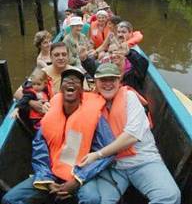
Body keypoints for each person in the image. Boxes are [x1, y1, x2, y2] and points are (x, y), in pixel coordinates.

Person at [1, 67, 112, 204]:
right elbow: (39, 149)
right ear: (61, 89)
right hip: (51, 173)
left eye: (76, 81)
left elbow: (108, 151)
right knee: (9, 199)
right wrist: (46, 180)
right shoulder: (50, 115)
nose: (71, 82)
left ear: (82, 91)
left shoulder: (95, 116)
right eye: (66, 80)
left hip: (80, 173)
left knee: (91, 199)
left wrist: (77, 180)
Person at [77, 63, 181, 204]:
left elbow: (131, 136)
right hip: (112, 166)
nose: (108, 84)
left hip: (142, 161)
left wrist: (97, 154)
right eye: (103, 80)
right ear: (95, 82)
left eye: (112, 80)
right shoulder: (91, 103)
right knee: (100, 200)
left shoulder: (129, 97)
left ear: (119, 81)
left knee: (169, 196)